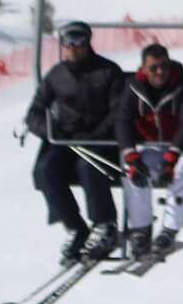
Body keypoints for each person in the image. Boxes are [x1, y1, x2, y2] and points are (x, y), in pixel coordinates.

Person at [26, 21, 125, 264]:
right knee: (46, 169)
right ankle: (76, 227)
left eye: (78, 43)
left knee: (89, 167)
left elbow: (119, 112)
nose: (73, 49)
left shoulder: (108, 71)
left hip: (101, 140)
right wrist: (49, 130)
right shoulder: (57, 75)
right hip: (66, 140)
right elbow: (34, 113)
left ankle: (105, 225)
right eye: (68, 44)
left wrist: (98, 135)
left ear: (88, 42)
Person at [113, 43, 183, 261]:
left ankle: (169, 230)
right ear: (143, 69)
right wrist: (131, 155)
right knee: (133, 170)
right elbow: (122, 120)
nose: (160, 72)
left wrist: (173, 156)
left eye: (164, 66)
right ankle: (141, 229)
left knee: (182, 172)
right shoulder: (133, 87)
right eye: (154, 68)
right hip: (151, 145)